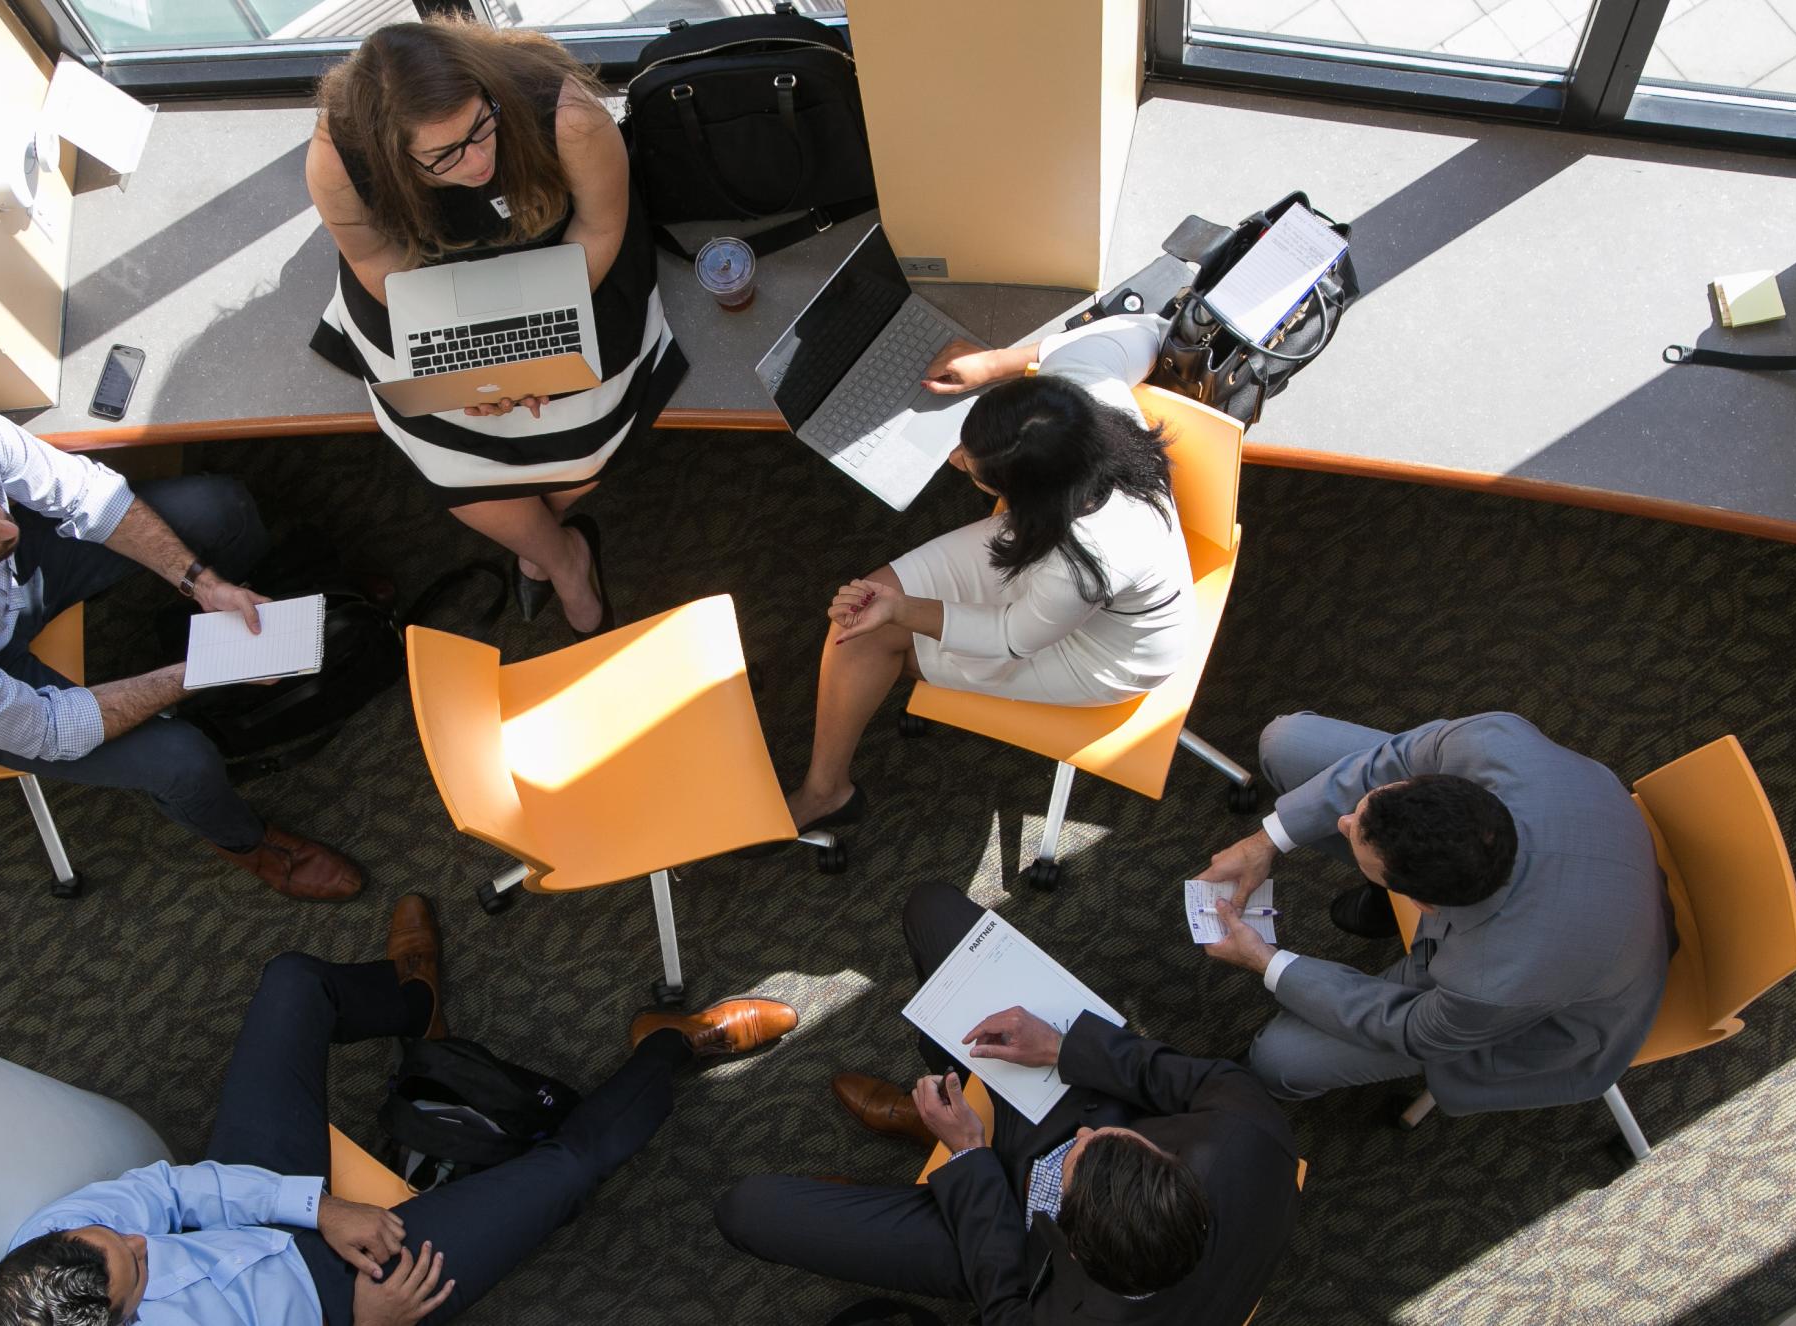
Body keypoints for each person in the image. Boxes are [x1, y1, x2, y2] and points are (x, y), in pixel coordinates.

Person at [0, 894, 797, 1326]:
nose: (134, 1238)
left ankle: (414, 1001)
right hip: (346, 1302)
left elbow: (170, 1196)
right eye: (137, 1263)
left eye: (108, 1237)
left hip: (253, 1201)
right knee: (564, 1171)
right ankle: (675, 1046)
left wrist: (318, 1204)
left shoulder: (55, 1246)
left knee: (292, 983)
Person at [0, 406, 363, 900]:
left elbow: (91, 496)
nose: (6, 527)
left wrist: (202, 584)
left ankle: (245, 610)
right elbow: (50, 728)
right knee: (181, 761)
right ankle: (249, 846)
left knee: (219, 506)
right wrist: (208, 669)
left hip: (9, 590)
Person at [716, 881, 1298, 1325]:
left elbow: (1004, 1310)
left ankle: (950, 1145)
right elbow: (1151, 1069)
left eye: (1079, 1161)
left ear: (1070, 1243)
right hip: (1073, 1098)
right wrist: (1063, 1047)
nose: (1088, 1139)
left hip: (1006, 1240)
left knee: (745, 1211)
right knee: (932, 909)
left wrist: (971, 1156)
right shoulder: (1252, 1130)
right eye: (1122, 1143)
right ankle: (941, 1116)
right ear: (1171, 1162)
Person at [306, 18, 687, 638]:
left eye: (482, 126)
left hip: (563, 276)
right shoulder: (338, 157)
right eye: (445, 155)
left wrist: (520, 349)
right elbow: (376, 261)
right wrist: (471, 361)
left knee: (578, 434)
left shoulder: (566, 116)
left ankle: (541, 551)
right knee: (447, 441)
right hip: (426, 289)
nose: (479, 159)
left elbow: (599, 231)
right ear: (389, 153)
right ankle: (562, 558)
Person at [780, 314, 1193, 835]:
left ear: (1024, 497)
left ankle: (823, 796)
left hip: (1111, 654)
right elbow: (1150, 328)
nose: (959, 459)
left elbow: (1009, 635)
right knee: (864, 625)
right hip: (1063, 561)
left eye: (973, 467)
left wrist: (903, 611)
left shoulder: (1086, 560)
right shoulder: (1083, 399)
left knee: (882, 638)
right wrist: (996, 362)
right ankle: (827, 788)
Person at [1192, 711, 1673, 1113]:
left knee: (1279, 1059)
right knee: (1287, 740)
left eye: (1355, 840)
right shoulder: (1493, 743)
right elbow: (1394, 758)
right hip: (1589, 864)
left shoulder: (1489, 983)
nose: (1342, 821)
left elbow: (1409, 1028)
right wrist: (1267, 840)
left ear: (1421, 903)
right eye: (1364, 810)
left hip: (1558, 987)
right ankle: (1381, 891)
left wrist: (1266, 961)